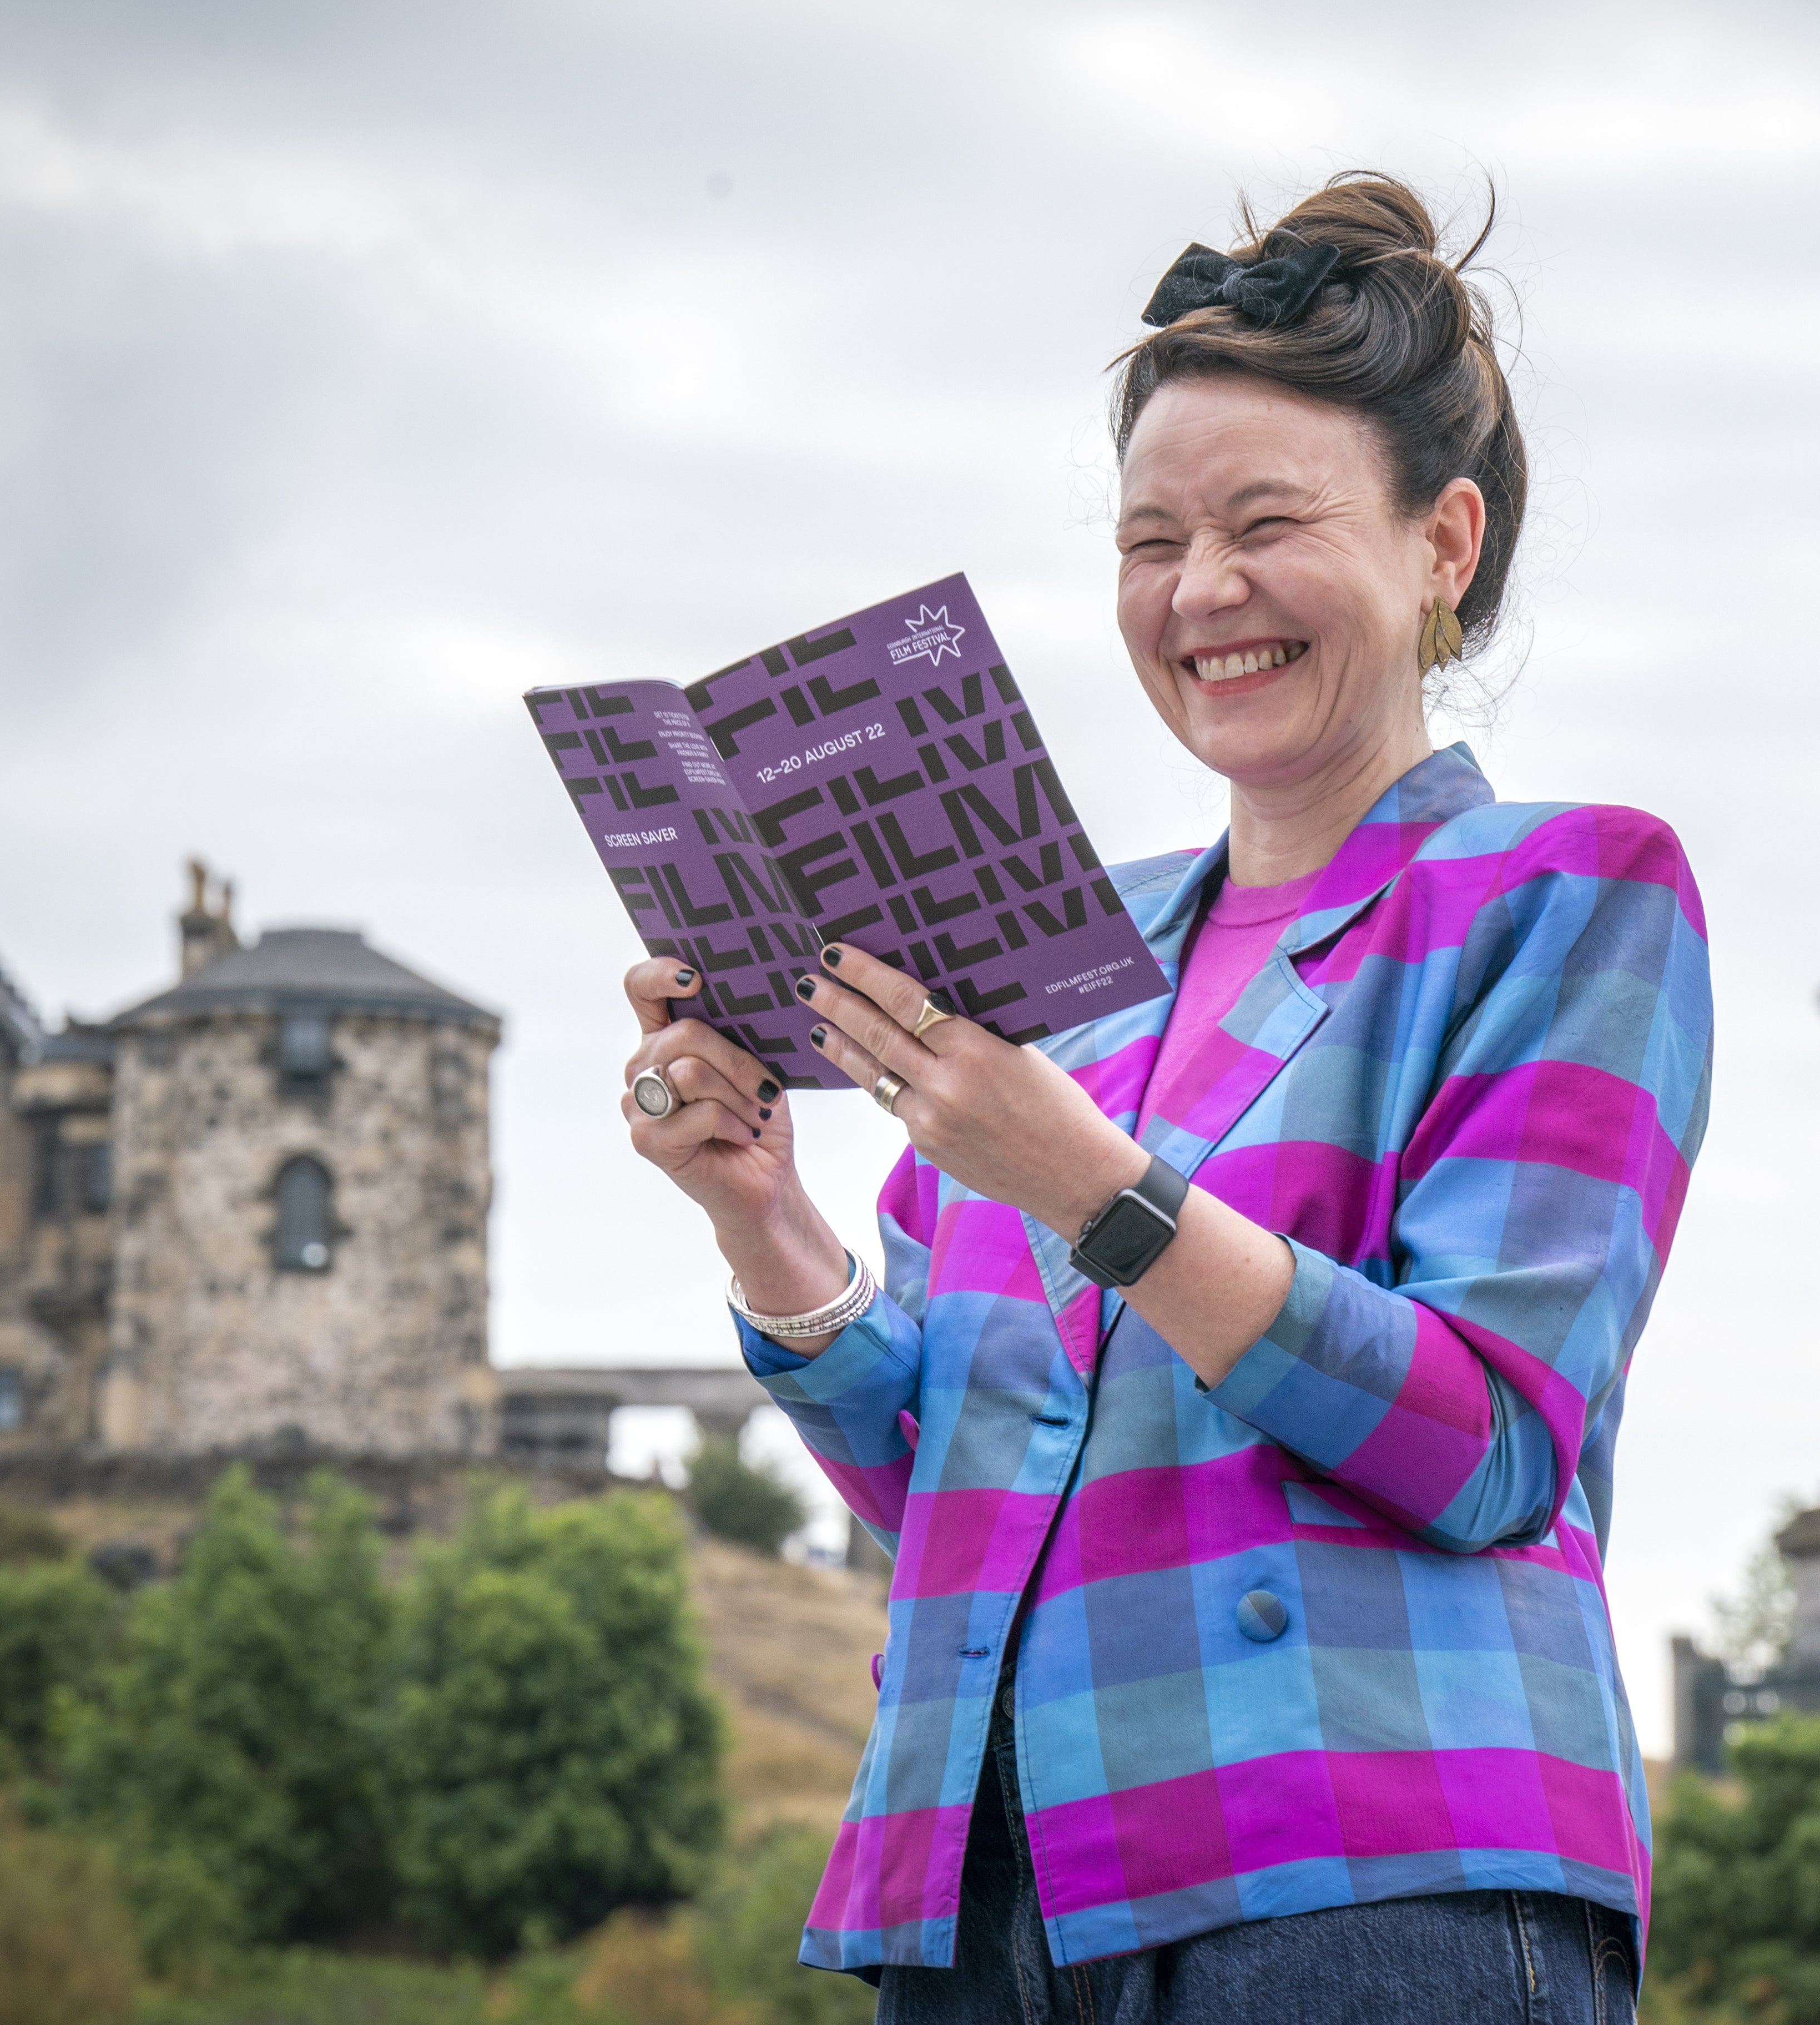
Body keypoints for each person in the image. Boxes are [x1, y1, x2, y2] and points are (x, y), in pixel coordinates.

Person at [619, 173, 1712, 2023]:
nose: (1201, 593)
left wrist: (1096, 1191)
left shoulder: (1568, 892)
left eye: (1265, 524)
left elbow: (1489, 1435)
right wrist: (762, 1209)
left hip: (1368, 1878)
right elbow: (938, 1480)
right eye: (1149, 541)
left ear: (1441, 542)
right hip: (983, 1891)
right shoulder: (1069, 942)